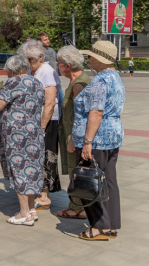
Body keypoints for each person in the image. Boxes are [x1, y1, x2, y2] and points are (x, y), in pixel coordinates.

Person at [71, 40, 124, 241]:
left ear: (100, 60)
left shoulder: (100, 81)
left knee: (90, 180)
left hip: (98, 138)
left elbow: (96, 112)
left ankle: (99, 227)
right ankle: (111, 224)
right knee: (109, 180)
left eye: (91, 56)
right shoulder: (115, 77)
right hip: (113, 135)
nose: (89, 59)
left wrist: (87, 142)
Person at [0, 55, 45, 226]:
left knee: (18, 169)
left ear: (12, 70)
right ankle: (31, 209)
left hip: (17, 136)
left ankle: (24, 214)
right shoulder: (36, 82)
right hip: (34, 133)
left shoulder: (13, 82)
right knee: (32, 170)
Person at [18, 40, 61, 209]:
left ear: (41, 57)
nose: (27, 62)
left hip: (47, 121)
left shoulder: (47, 72)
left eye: (30, 59)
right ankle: (38, 191)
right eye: (25, 59)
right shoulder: (33, 71)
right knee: (36, 157)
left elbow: (50, 103)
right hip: (35, 120)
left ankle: (44, 196)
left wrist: (42, 126)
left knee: (46, 156)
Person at [56, 45, 90, 220]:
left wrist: (73, 140)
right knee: (75, 171)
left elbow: (81, 115)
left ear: (68, 66)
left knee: (76, 171)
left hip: (75, 135)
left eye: (59, 64)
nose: (58, 67)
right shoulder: (76, 80)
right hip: (73, 134)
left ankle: (78, 208)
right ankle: (79, 206)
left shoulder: (78, 85)